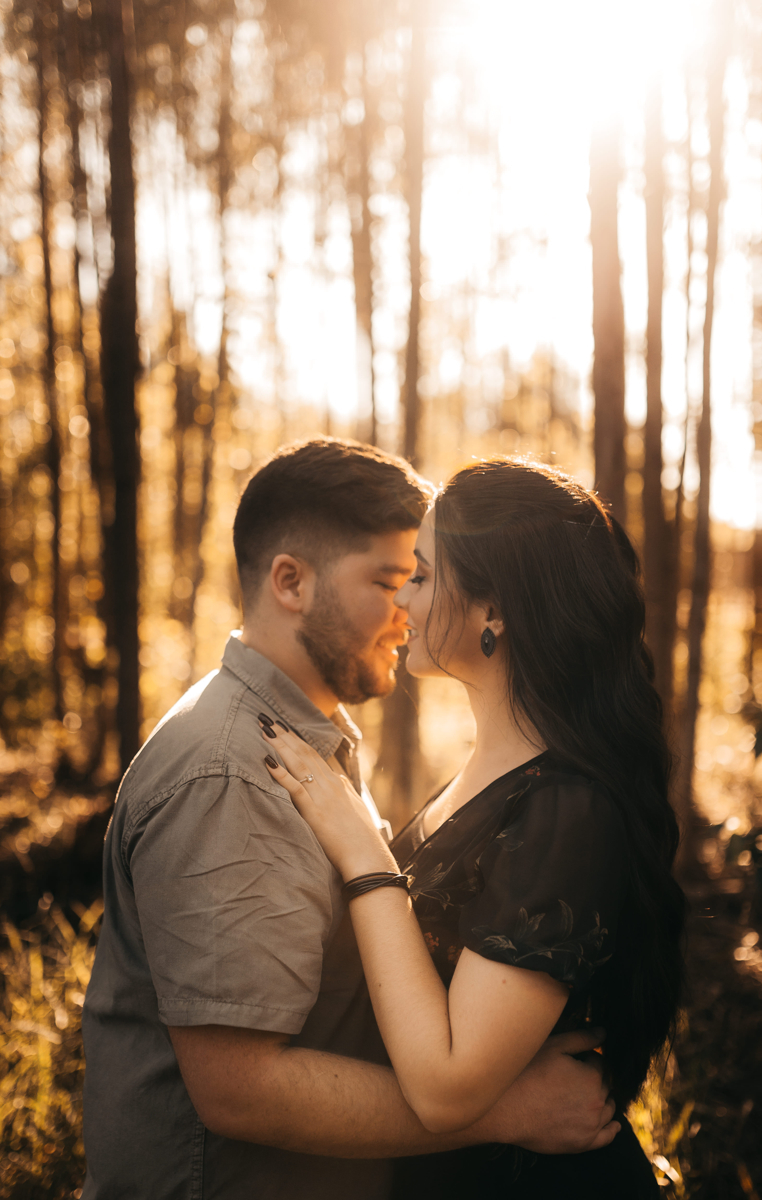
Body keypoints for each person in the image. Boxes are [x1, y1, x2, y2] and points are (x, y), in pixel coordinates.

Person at [81, 440, 619, 1200]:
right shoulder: (235, 771)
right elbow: (239, 1088)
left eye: (419, 578)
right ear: (291, 582)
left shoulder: (305, 744)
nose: (404, 608)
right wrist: (507, 1110)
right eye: (387, 580)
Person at [262, 456, 686, 1199]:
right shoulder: (488, 774)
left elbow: (445, 1089)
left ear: (496, 610)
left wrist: (363, 851)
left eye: (421, 575)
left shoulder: (568, 808)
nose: (404, 600)